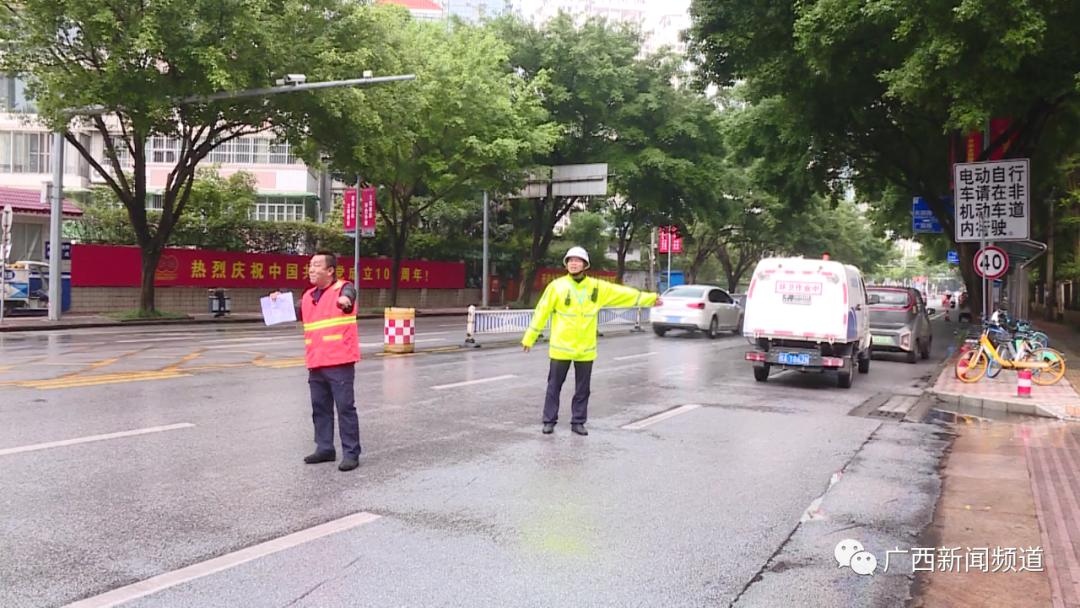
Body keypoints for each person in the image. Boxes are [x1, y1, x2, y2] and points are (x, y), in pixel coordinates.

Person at [521, 246, 659, 436]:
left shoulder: (597, 287)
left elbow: (623, 294)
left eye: (577, 261)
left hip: (585, 349)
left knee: (583, 389)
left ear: (585, 265)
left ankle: (578, 421)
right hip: (561, 348)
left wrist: (650, 299)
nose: (573, 264)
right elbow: (541, 312)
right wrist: (529, 337)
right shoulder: (557, 286)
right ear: (566, 264)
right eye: (570, 260)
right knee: (554, 387)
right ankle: (549, 420)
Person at [271, 252, 362, 472]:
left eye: (316, 265)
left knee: (345, 408)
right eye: (310, 265)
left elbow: (349, 297)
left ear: (330, 270)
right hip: (316, 362)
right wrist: (276, 300)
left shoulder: (343, 288)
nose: (311, 269)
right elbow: (293, 312)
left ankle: (351, 453)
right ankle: (325, 448)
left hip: (339, 361)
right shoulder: (309, 295)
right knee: (319, 408)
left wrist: (345, 300)